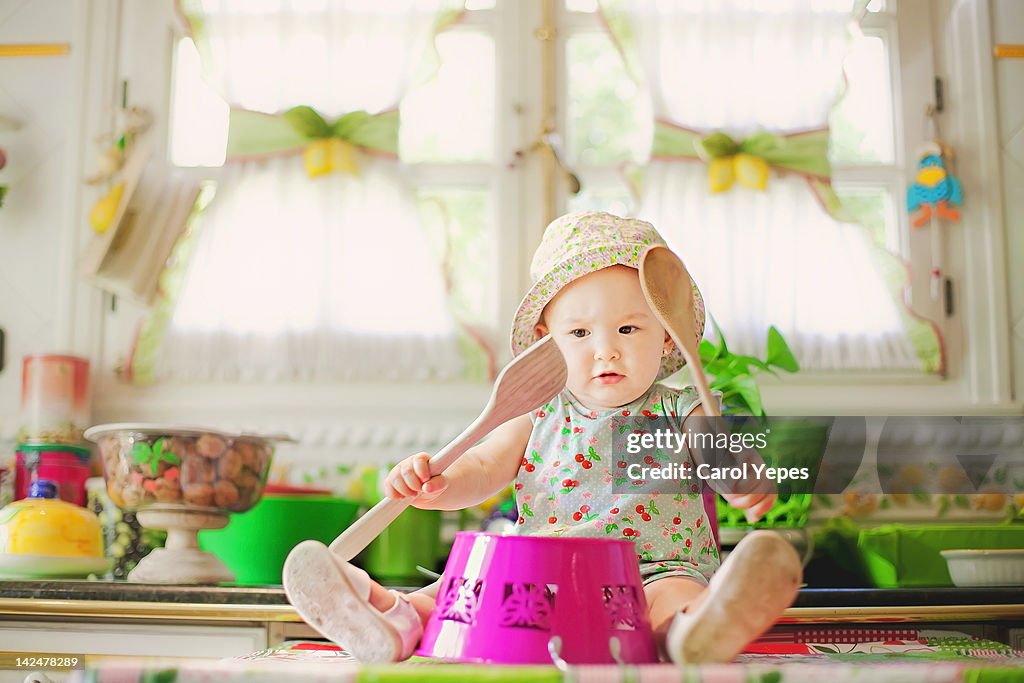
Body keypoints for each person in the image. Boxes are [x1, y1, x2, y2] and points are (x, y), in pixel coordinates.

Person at [283, 211, 802, 664]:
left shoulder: (678, 408)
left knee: (673, 596)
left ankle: (697, 629)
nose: (606, 351)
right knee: (461, 593)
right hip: (541, 571)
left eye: (628, 330)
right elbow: (483, 467)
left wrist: (741, 478)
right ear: (545, 344)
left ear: (667, 335)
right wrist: (439, 484)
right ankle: (388, 615)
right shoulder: (537, 412)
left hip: (651, 570)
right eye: (579, 333)